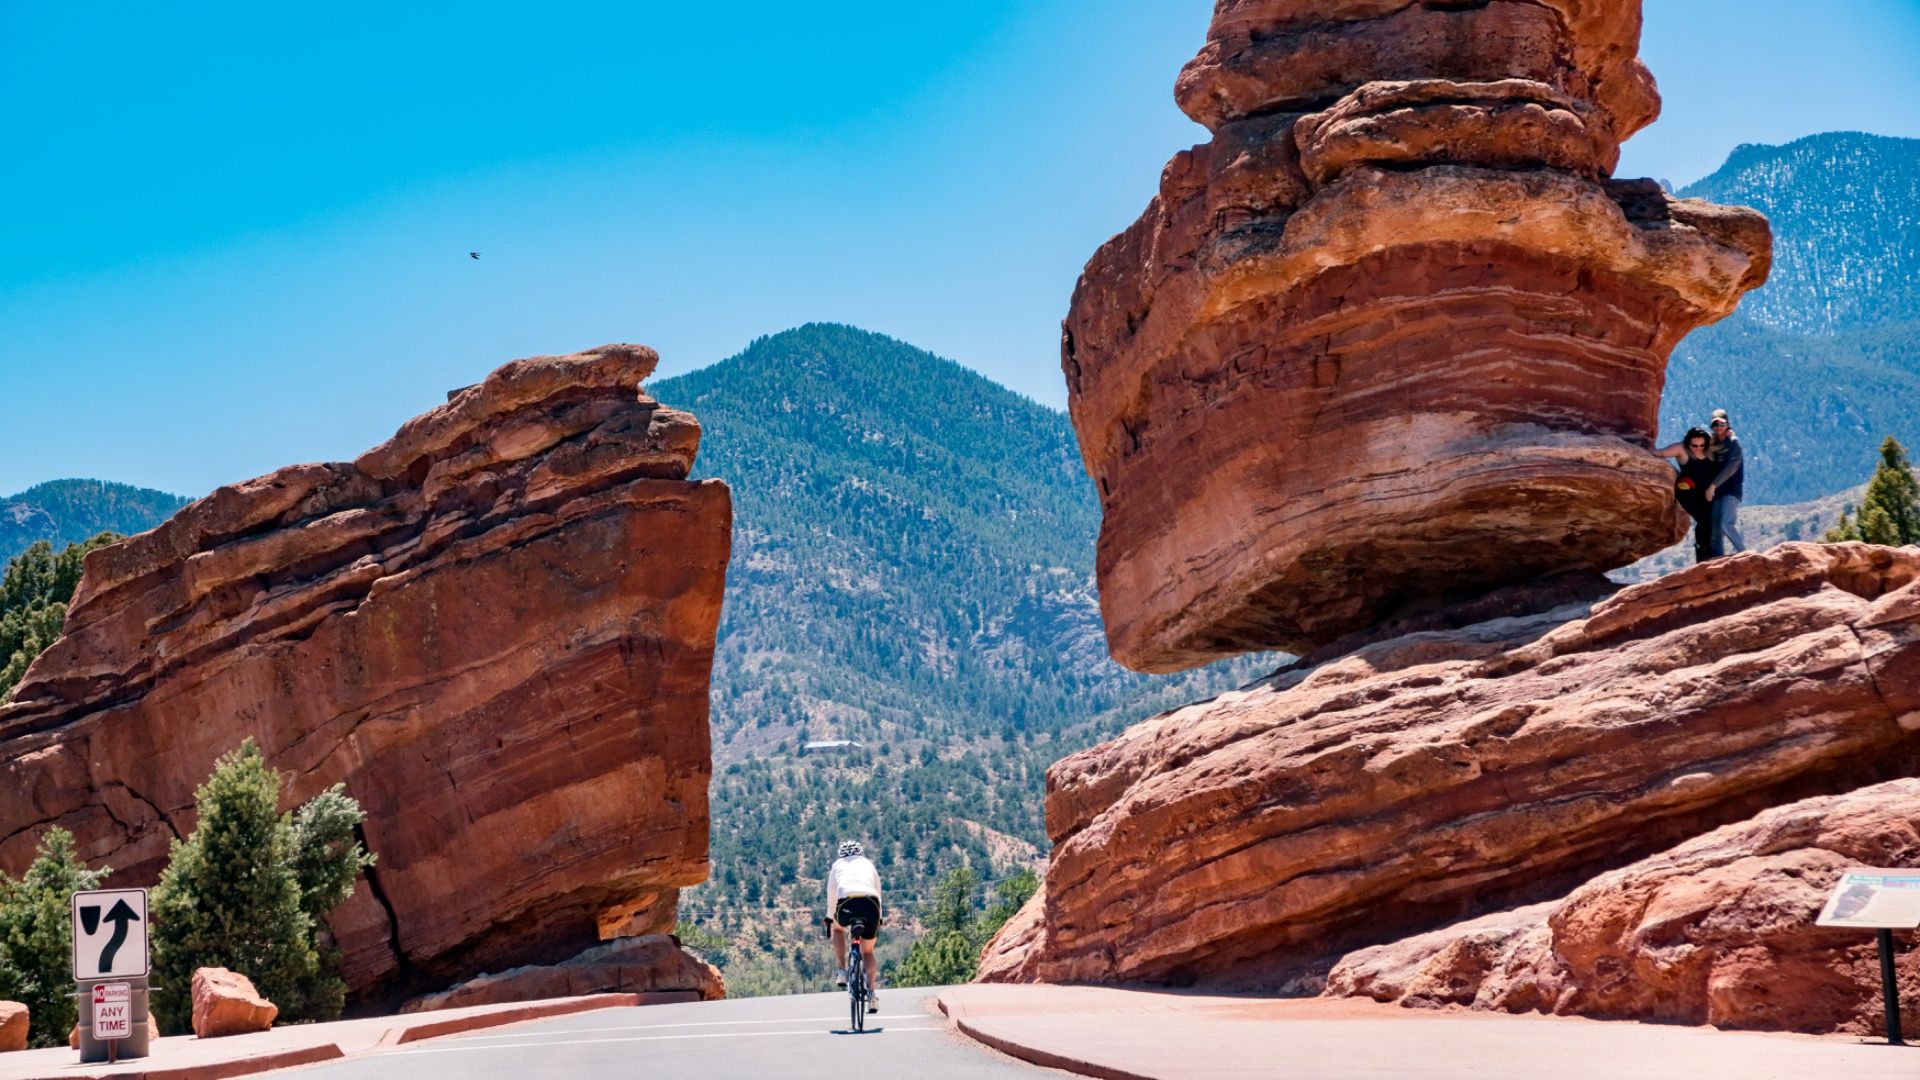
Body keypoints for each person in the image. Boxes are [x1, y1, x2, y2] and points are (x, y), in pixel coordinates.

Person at [825, 840, 883, 1008]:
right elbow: (878, 892)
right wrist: (878, 918)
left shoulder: (837, 865)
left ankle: (842, 970)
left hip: (846, 904)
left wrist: (830, 916)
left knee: (837, 928)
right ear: (860, 853)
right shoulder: (868, 864)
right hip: (870, 905)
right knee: (868, 951)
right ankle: (872, 994)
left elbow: (831, 894)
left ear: (841, 854)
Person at [1657, 427, 1719, 562]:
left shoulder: (1709, 451)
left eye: (1702, 445)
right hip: (1688, 492)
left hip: (1706, 493)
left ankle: (1708, 552)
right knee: (1704, 519)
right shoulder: (1681, 449)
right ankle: (1703, 554)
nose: (1698, 448)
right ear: (1688, 442)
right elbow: (1661, 452)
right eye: (1695, 445)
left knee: (1711, 520)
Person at [1705, 409, 1746, 556]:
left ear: (1727, 424)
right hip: (1717, 491)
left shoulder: (1733, 443)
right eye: (1715, 425)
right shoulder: (1712, 442)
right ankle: (1717, 557)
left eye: (1721, 424)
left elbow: (1732, 466)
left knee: (1726, 524)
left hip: (1731, 489)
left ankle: (1743, 553)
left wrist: (1713, 485)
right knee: (1715, 527)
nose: (1718, 428)